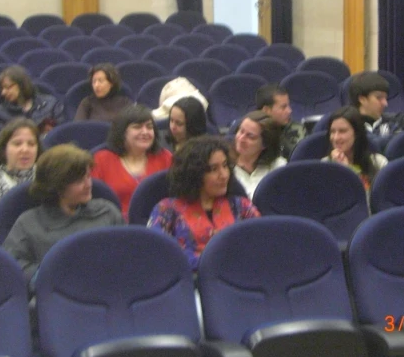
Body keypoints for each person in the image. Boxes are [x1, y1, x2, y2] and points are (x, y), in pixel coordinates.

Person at [3, 144, 123, 286]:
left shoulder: (106, 211)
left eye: (88, 176)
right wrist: (52, 276)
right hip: (57, 296)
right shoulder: (29, 222)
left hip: (109, 291)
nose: (88, 184)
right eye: (79, 181)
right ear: (56, 186)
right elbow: (11, 267)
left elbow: (127, 254)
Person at [148, 136, 260, 270]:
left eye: (225, 166)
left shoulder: (241, 205)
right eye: (213, 169)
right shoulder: (166, 209)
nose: (224, 175)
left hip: (239, 277)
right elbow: (159, 253)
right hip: (189, 282)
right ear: (194, 174)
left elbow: (260, 243)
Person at [92, 104, 173, 218]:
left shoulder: (164, 157)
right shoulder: (101, 160)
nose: (145, 132)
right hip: (114, 225)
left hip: (158, 224)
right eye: (137, 127)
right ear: (122, 132)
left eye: (149, 127)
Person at [322, 106, 387, 194]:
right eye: (332, 132)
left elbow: (370, 201)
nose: (336, 138)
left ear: (357, 133)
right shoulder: (324, 164)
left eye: (342, 131)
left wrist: (348, 171)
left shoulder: (379, 163)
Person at [347, 72, 404, 144]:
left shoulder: (399, 121)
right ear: (362, 99)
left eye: (385, 98)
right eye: (379, 98)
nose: (385, 103)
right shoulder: (347, 127)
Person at [0, 65, 64, 133]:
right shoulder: (0, 112)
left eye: (8, 87)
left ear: (22, 85)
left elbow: (61, 132)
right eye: (1, 89)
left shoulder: (51, 103)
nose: (3, 93)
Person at [232, 110, 286, 199]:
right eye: (241, 131)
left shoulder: (278, 166)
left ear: (264, 144)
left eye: (250, 136)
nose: (241, 139)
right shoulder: (224, 165)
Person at [255, 84, 306, 159]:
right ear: (266, 110)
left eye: (288, 105)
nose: (289, 111)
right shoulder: (250, 132)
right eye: (283, 107)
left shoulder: (297, 129)